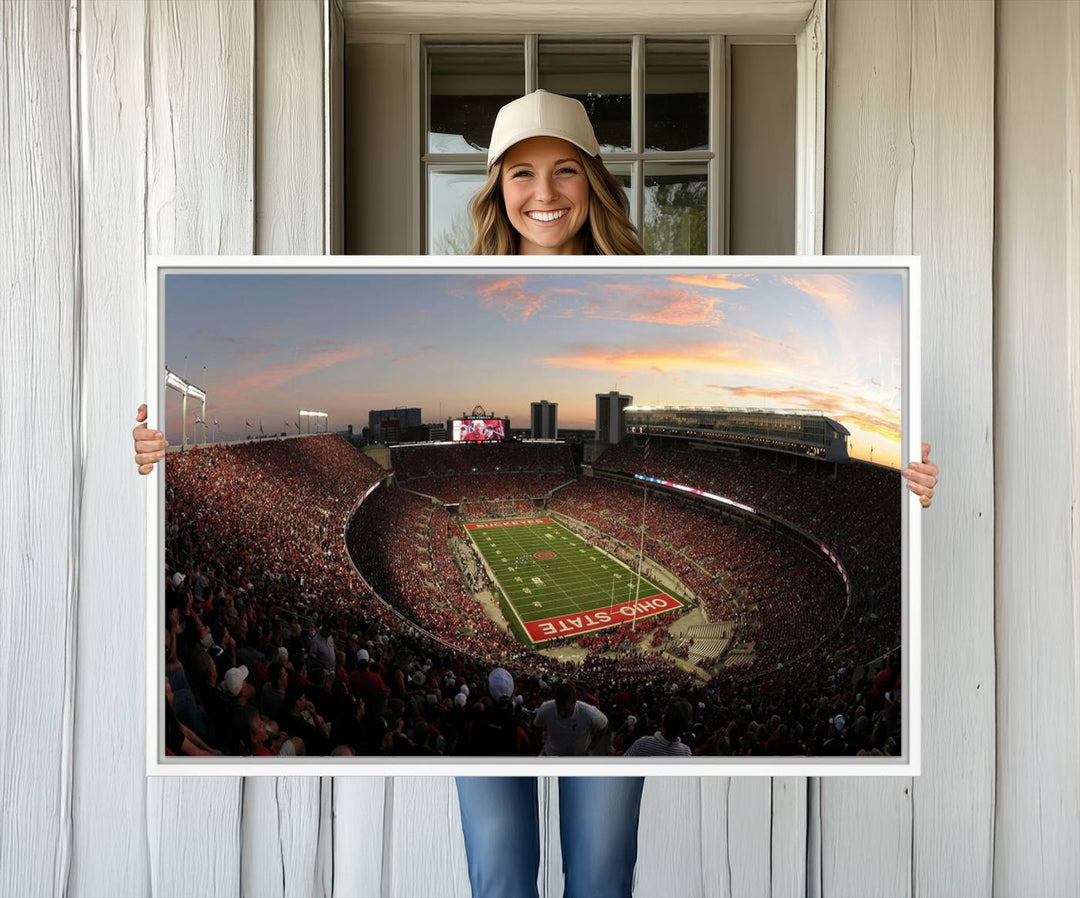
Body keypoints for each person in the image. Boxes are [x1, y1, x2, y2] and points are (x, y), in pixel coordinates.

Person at [132, 89, 940, 898]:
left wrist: (898, 478)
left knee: (598, 871)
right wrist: (167, 452)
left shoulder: (647, 288)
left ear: (593, 181)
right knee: (501, 869)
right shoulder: (458, 285)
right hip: (500, 724)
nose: (544, 193)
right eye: (521, 173)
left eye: (564, 172)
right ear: (495, 188)